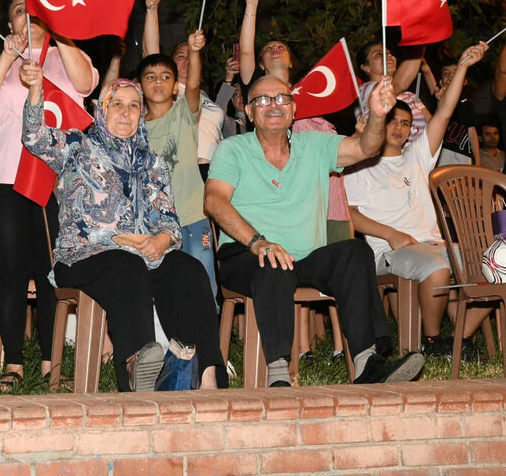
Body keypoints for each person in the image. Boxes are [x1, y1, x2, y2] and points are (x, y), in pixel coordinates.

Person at [205, 74, 425, 387]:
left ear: (293, 109)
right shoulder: (233, 149)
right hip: (246, 254)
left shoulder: (315, 145)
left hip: (306, 257)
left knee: (354, 251)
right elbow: (214, 201)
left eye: (282, 98)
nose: (274, 105)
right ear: (250, 112)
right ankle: (278, 373)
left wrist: (377, 116)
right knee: (272, 265)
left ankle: (368, 362)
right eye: (262, 100)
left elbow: (365, 148)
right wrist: (258, 242)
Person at [22, 74, 223, 391]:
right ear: (101, 109)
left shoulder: (152, 162)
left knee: (189, 269)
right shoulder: (78, 147)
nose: (126, 113)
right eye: (116, 104)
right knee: (126, 266)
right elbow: (34, 137)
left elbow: (169, 220)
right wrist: (35, 91)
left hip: (142, 257)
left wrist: (162, 239)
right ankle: (135, 369)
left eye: (133, 106)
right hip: (82, 256)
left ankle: (207, 375)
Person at [0, 0, 97, 389]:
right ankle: (13, 363)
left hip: (58, 178)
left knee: (50, 272)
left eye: (36, 9)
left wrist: (63, 36)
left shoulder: (67, 53)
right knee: (10, 272)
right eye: (19, 10)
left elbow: (86, 84)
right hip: (6, 175)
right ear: (9, 23)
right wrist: (9, 57)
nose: (28, 15)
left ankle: (50, 363)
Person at [345, 43, 493, 359]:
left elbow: (445, 113)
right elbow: (351, 214)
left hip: (434, 243)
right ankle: (433, 340)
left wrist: (464, 66)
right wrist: (390, 234)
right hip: (388, 251)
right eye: (391, 122)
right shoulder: (359, 162)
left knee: (498, 261)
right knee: (438, 268)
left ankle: (462, 334)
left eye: (404, 123)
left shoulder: (417, 157)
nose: (397, 128)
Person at [235, 0, 354, 244]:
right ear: (261, 65)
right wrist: (252, 4)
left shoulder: (318, 92)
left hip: (332, 203)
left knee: (341, 271)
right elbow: (244, 53)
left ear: (291, 61)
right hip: (292, 206)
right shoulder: (261, 95)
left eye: (282, 46)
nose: (275, 48)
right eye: (268, 48)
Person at [136, 30, 218, 299]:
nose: (158, 82)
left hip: (193, 214)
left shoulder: (184, 112)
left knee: (202, 281)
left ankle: (207, 337)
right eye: (150, 77)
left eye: (165, 77)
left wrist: (194, 52)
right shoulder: (134, 129)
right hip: (154, 224)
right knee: (165, 287)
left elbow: (193, 85)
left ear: (174, 86)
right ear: (140, 86)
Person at [140, 0, 225, 175]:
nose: (187, 60)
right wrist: (152, 10)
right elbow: (151, 56)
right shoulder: (168, 92)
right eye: (180, 56)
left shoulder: (206, 98)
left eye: (192, 56)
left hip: (216, 171)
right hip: (182, 170)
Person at [422, 58, 481, 167]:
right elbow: (426, 70)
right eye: (446, 73)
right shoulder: (438, 97)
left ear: (464, 80)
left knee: (462, 183)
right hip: (441, 153)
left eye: (456, 72)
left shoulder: (467, 104)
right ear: (440, 82)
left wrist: (477, 161)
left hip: (463, 155)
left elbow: (472, 134)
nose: (450, 75)